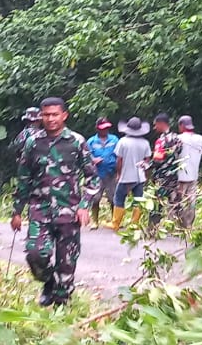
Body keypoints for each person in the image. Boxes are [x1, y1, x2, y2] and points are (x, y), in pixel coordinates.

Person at [10, 97, 99, 307]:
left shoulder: (76, 142)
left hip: (69, 211)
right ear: (41, 117)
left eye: (55, 114)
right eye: (46, 115)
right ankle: (49, 281)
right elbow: (24, 177)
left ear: (64, 116)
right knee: (35, 253)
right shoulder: (33, 143)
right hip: (39, 209)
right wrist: (17, 211)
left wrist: (84, 206)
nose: (50, 119)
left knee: (66, 262)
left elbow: (93, 178)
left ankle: (61, 306)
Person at [173, 115, 202, 229]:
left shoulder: (178, 138)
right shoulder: (199, 139)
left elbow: (172, 153)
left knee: (179, 200)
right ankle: (188, 224)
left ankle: (178, 224)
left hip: (180, 176)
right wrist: (201, 152)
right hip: (193, 175)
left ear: (182, 125)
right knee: (191, 200)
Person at [111, 116, 152, 230]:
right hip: (139, 176)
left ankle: (116, 223)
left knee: (119, 198)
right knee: (138, 200)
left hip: (126, 176)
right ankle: (134, 224)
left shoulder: (123, 141)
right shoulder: (145, 142)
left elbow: (119, 160)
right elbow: (147, 160)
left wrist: (119, 174)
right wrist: (145, 174)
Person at [148, 113, 182, 230]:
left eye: (155, 125)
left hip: (162, 176)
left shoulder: (161, 141)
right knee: (175, 202)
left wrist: (146, 165)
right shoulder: (177, 138)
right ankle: (180, 227)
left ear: (161, 124)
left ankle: (153, 228)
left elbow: (157, 159)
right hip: (174, 175)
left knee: (157, 202)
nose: (154, 127)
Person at [86, 118, 119, 229]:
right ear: (97, 129)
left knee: (113, 198)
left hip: (112, 172)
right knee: (96, 198)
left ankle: (115, 221)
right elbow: (86, 155)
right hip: (97, 173)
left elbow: (120, 154)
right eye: (103, 128)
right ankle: (95, 221)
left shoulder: (114, 139)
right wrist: (93, 160)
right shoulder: (91, 141)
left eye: (107, 128)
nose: (105, 130)